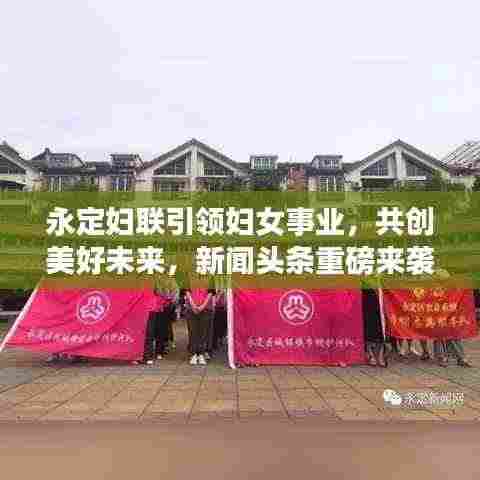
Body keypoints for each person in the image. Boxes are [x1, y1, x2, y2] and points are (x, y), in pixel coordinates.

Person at [185, 287, 215, 366]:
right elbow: (187, 291)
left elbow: (211, 292)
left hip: (206, 309)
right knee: (193, 332)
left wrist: (202, 306)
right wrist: (193, 305)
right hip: (191, 309)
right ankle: (193, 354)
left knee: (203, 332)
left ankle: (201, 354)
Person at [362, 286, 387, 367]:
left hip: (381, 293)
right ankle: (370, 354)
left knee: (382, 325)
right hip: (366, 292)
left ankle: (381, 354)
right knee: (368, 323)